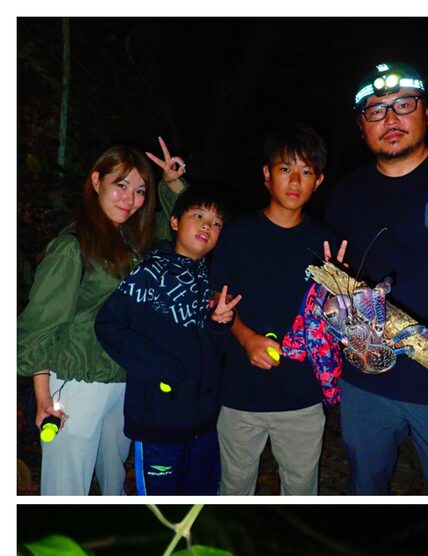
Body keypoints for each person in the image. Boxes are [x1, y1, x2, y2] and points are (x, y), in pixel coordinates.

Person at [324, 62, 428, 496]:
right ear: (362, 126)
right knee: (365, 486)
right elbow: (334, 280)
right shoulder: (346, 195)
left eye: (404, 105)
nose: (392, 119)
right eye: (377, 111)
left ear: (426, 111)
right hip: (365, 382)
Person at [17, 139, 187, 495]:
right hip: (78, 381)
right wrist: (43, 394)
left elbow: (172, 225)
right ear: (97, 182)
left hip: (121, 379)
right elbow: (39, 325)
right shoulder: (72, 247)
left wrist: (171, 183)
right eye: (121, 185)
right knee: (66, 487)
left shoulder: (126, 237)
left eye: (140, 191)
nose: (130, 199)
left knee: (114, 485)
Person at [209, 124, 340, 495]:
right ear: (267, 175)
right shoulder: (238, 233)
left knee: (301, 491)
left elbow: (339, 319)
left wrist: (345, 295)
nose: (295, 180)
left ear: (318, 181)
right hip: (240, 395)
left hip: (302, 396)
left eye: (306, 172)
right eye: (285, 169)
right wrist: (246, 337)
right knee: (233, 489)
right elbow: (216, 299)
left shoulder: (326, 240)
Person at [95, 186, 239, 495]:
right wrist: (161, 368)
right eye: (198, 216)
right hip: (159, 422)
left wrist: (218, 324)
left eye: (216, 223)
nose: (207, 226)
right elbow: (109, 325)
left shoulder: (207, 278)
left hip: (203, 424)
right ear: (174, 222)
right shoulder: (149, 273)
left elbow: (208, 351)